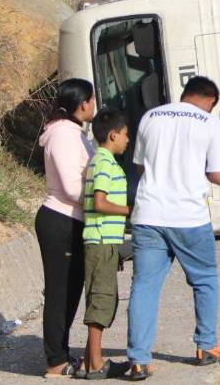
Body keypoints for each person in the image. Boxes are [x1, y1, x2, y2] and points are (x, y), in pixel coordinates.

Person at [127, 76, 220, 379]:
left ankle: (139, 359)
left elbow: (140, 166)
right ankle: (206, 346)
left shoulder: (150, 117)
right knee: (205, 280)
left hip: (148, 215)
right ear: (210, 101)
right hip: (189, 218)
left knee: (144, 286)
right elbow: (219, 175)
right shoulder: (209, 123)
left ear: (185, 94)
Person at [35, 79, 95, 378]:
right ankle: (55, 362)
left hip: (73, 220)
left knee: (71, 291)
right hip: (60, 219)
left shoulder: (74, 133)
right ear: (83, 103)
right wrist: (103, 200)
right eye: (92, 100)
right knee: (60, 293)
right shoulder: (63, 135)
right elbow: (72, 188)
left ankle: (61, 353)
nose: (95, 105)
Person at [78, 109, 132, 379]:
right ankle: (97, 365)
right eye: (125, 135)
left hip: (104, 241)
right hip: (100, 241)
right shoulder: (103, 163)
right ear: (113, 135)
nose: (127, 140)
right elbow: (100, 202)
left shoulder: (101, 161)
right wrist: (129, 211)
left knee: (103, 297)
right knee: (101, 300)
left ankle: (88, 361)